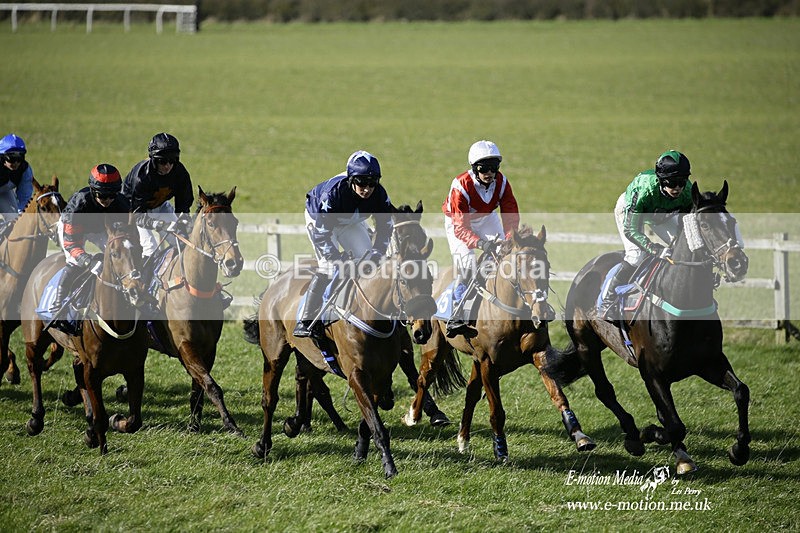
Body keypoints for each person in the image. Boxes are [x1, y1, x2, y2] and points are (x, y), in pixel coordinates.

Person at [293, 150, 393, 339]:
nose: (367, 189)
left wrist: (377, 253)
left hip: (350, 221)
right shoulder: (334, 194)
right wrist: (337, 258)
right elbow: (321, 234)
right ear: (351, 180)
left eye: (372, 183)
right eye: (361, 183)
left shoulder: (379, 195)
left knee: (368, 263)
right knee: (330, 267)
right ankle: (306, 320)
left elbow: (386, 228)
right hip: (320, 221)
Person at [595, 150, 694, 320]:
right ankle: (607, 302)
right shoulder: (645, 190)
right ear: (662, 180)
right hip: (631, 211)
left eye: (682, 181)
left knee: (685, 246)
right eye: (672, 182)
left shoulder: (687, 192)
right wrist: (655, 249)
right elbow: (631, 230)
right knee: (636, 255)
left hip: (660, 214)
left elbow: (686, 226)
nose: (677, 188)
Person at [441, 140, 520, 338]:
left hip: (486, 218)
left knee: (505, 254)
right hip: (458, 222)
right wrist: (480, 243)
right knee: (467, 264)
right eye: (484, 168)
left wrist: (509, 239)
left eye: (494, 168)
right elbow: (461, 227)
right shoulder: (461, 185)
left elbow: (511, 214)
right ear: (474, 168)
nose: (490, 173)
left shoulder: (502, 182)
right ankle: (457, 312)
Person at [51, 164, 132, 312]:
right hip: (74, 229)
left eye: (112, 195)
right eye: (102, 195)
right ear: (93, 191)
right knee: (74, 261)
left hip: (100, 229)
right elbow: (71, 244)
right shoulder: (79, 204)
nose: (107, 200)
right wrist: (88, 262)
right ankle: (58, 302)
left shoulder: (122, 204)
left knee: (117, 256)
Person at [122, 133, 193, 259]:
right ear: (153, 160)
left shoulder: (180, 173)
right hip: (134, 212)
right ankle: (144, 278)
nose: (167, 166)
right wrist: (158, 224)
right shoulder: (141, 178)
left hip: (161, 206)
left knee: (181, 242)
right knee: (150, 248)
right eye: (162, 161)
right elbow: (138, 215)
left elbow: (183, 205)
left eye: (172, 161)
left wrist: (183, 222)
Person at [0, 134, 34, 235]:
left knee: (13, 218)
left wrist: (20, 217)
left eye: (20, 158)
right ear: (2, 156)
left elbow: (24, 199)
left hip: (4, 192)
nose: (16, 163)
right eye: (12, 158)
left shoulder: (25, 170)